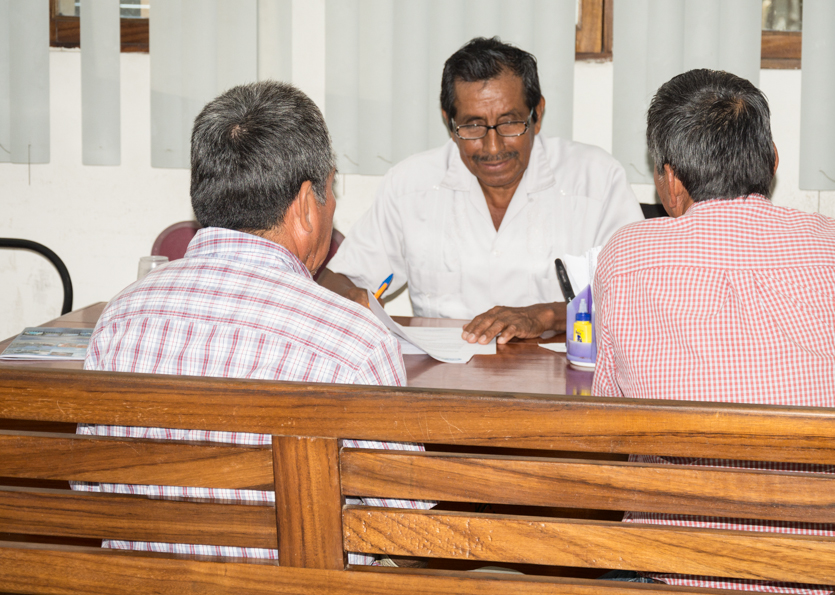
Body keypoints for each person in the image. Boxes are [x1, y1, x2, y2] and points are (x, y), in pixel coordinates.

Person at [78, 81, 428, 565]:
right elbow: (408, 527)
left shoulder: (121, 316)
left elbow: (87, 481)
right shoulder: (353, 341)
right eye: (331, 190)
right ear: (307, 205)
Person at [592, 69, 835, 592]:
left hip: (679, 564)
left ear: (667, 178)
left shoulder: (627, 255)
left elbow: (614, 409)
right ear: (774, 162)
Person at [320, 37, 642, 345]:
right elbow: (338, 280)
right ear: (449, 123)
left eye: (509, 123)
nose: (492, 147)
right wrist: (352, 298)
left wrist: (547, 315)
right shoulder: (409, 186)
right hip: (444, 384)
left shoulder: (596, 181)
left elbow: (635, 299)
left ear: (537, 114)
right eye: (473, 126)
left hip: (560, 382)